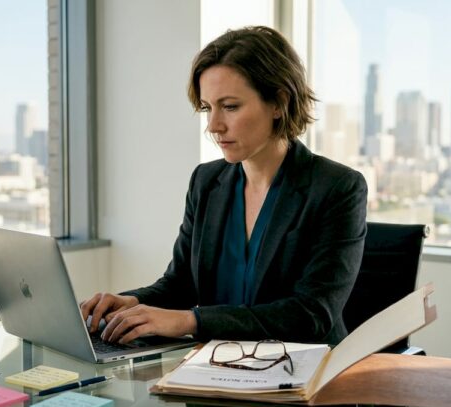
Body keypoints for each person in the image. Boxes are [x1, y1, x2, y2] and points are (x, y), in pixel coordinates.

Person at [81, 26, 367, 346]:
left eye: (230, 106)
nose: (213, 126)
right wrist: (131, 303)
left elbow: (311, 314)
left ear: (279, 102)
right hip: (218, 363)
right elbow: (180, 284)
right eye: (207, 108)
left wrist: (190, 320)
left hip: (305, 368)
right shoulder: (206, 182)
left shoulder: (337, 188)